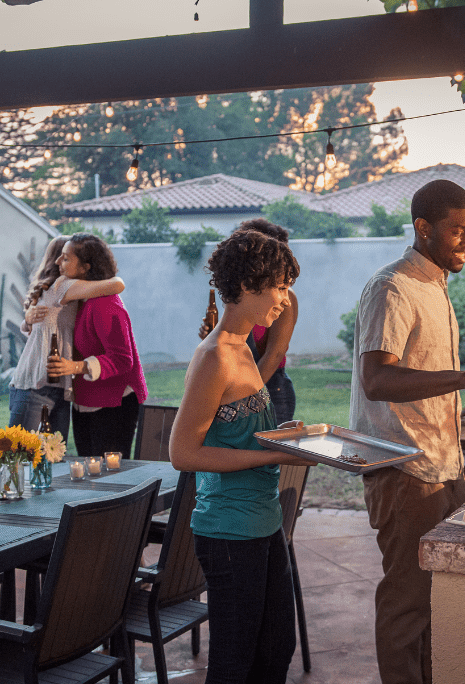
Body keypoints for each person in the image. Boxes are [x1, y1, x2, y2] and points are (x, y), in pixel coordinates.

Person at [350, 180, 465, 684]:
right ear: (423, 228)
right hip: (403, 471)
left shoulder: (435, 286)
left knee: (437, 602)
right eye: (457, 232)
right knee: (408, 605)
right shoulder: (392, 288)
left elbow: (425, 386)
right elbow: (377, 379)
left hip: (439, 469)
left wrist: (457, 464)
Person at [169, 229, 311, 684]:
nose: (285, 299)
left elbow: (239, 432)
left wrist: (284, 438)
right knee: (234, 664)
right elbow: (182, 452)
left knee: (275, 648)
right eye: (280, 287)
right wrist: (270, 456)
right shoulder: (214, 357)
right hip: (229, 531)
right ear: (249, 285)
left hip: (262, 522)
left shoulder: (244, 347)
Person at [9, 236, 125, 440]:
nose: (59, 262)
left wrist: (27, 319)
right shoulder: (63, 286)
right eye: (61, 257)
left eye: (67, 258)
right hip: (36, 386)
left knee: (53, 457)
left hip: (59, 387)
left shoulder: (63, 292)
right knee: (19, 454)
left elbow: (36, 330)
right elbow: (116, 285)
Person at [46, 234, 147, 458]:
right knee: (90, 473)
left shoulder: (105, 304)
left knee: (108, 477)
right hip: (87, 399)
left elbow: (122, 359)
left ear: (85, 267)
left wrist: (75, 367)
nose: (57, 263)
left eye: (65, 259)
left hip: (114, 401)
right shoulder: (79, 298)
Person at [199, 218, 299, 423]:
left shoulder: (283, 303)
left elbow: (275, 353)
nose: (285, 300)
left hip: (271, 382)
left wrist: (247, 398)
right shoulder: (212, 355)